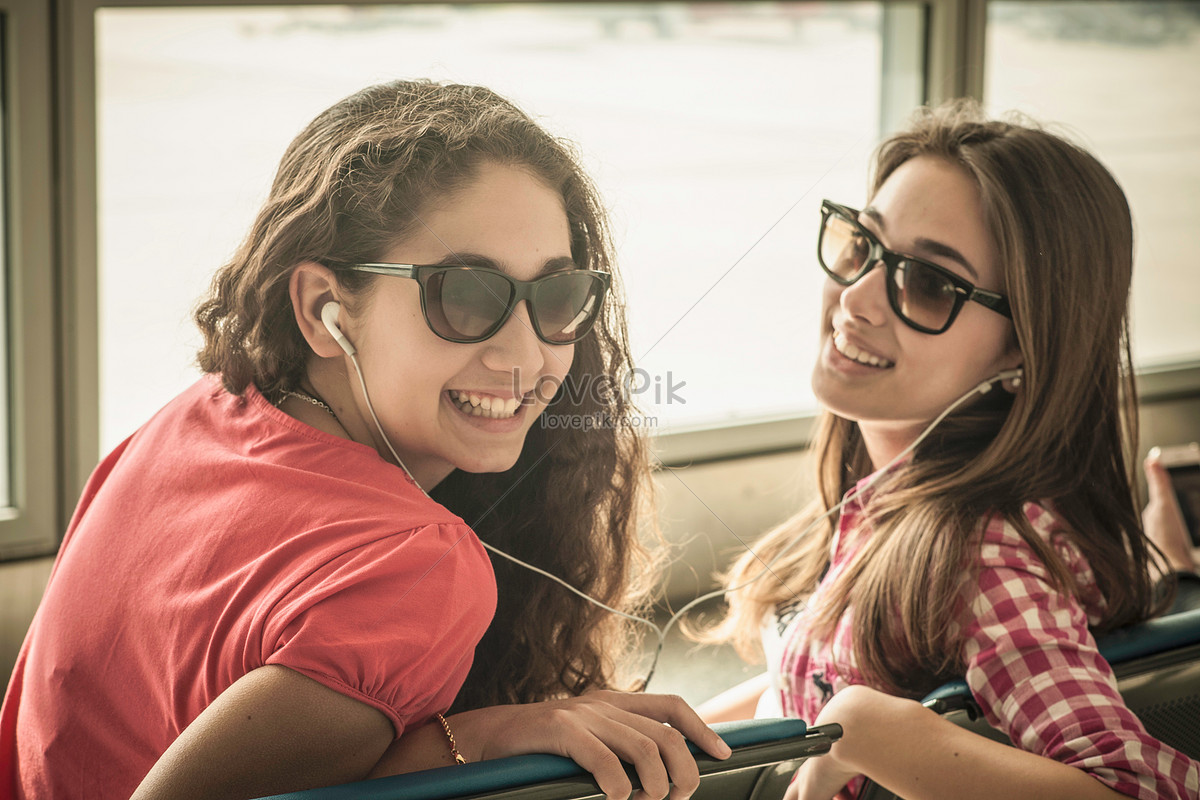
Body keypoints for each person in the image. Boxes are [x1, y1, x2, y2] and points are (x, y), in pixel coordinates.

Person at [1, 80, 729, 800]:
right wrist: (480, 742)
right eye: (465, 294)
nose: (526, 355)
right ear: (325, 312)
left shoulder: (194, 417)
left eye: (557, 296)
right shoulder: (421, 566)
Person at [699, 101, 1200, 799]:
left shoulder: (981, 555)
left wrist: (871, 733)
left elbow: (1142, 789)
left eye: (928, 283)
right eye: (862, 246)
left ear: (1022, 343)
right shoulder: (888, 504)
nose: (857, 299)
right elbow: (818, 685)